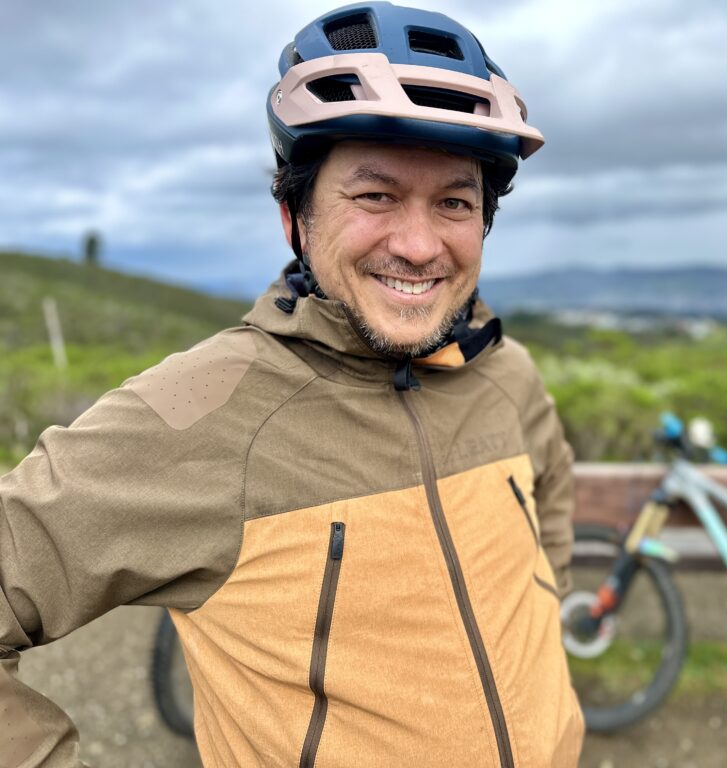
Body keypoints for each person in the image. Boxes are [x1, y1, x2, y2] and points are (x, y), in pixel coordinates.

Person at [0, 4, 583, 766]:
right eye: (375, 195)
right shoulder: (204, 411)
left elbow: (552, 511)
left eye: (454, 202)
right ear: (294, 218)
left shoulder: (506, 373)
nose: (417, 244)